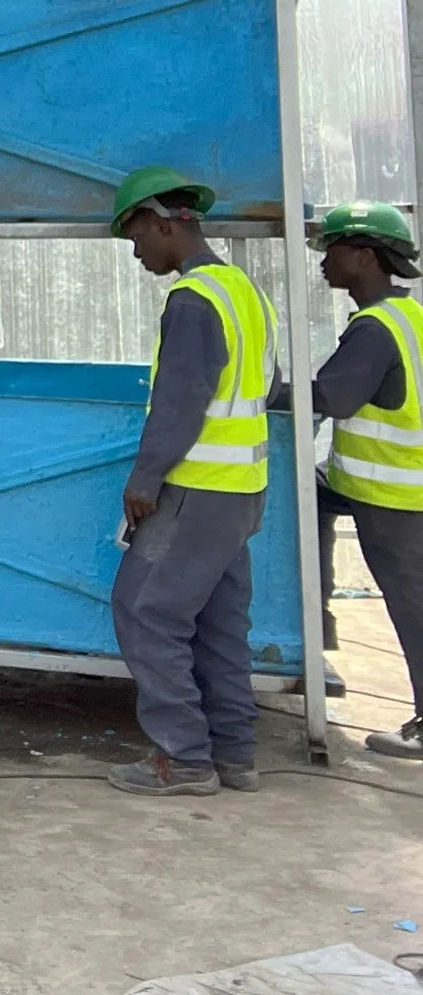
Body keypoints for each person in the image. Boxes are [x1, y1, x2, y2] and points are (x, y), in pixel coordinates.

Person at [105, 164, 281, 798]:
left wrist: (145, 479)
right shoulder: (245, 293)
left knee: (144, 611)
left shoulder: (193, 300)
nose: (136, 252)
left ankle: (182, 760)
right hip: (241, 495)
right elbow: (273, 386)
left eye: (136, 238)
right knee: (219, 624)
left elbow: (180, 402)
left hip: (197, 490)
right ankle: (235, 755)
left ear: (163, 224)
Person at [300, 200, 423, 760]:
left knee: (411, 603)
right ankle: (315, 616)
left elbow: (328, 397)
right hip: (388, 484)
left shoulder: (375, 329)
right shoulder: (409, 316)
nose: (324, 260)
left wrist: (258, 389)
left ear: (366, 257)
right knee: (309, 493)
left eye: (334, 250)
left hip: (392, 493)